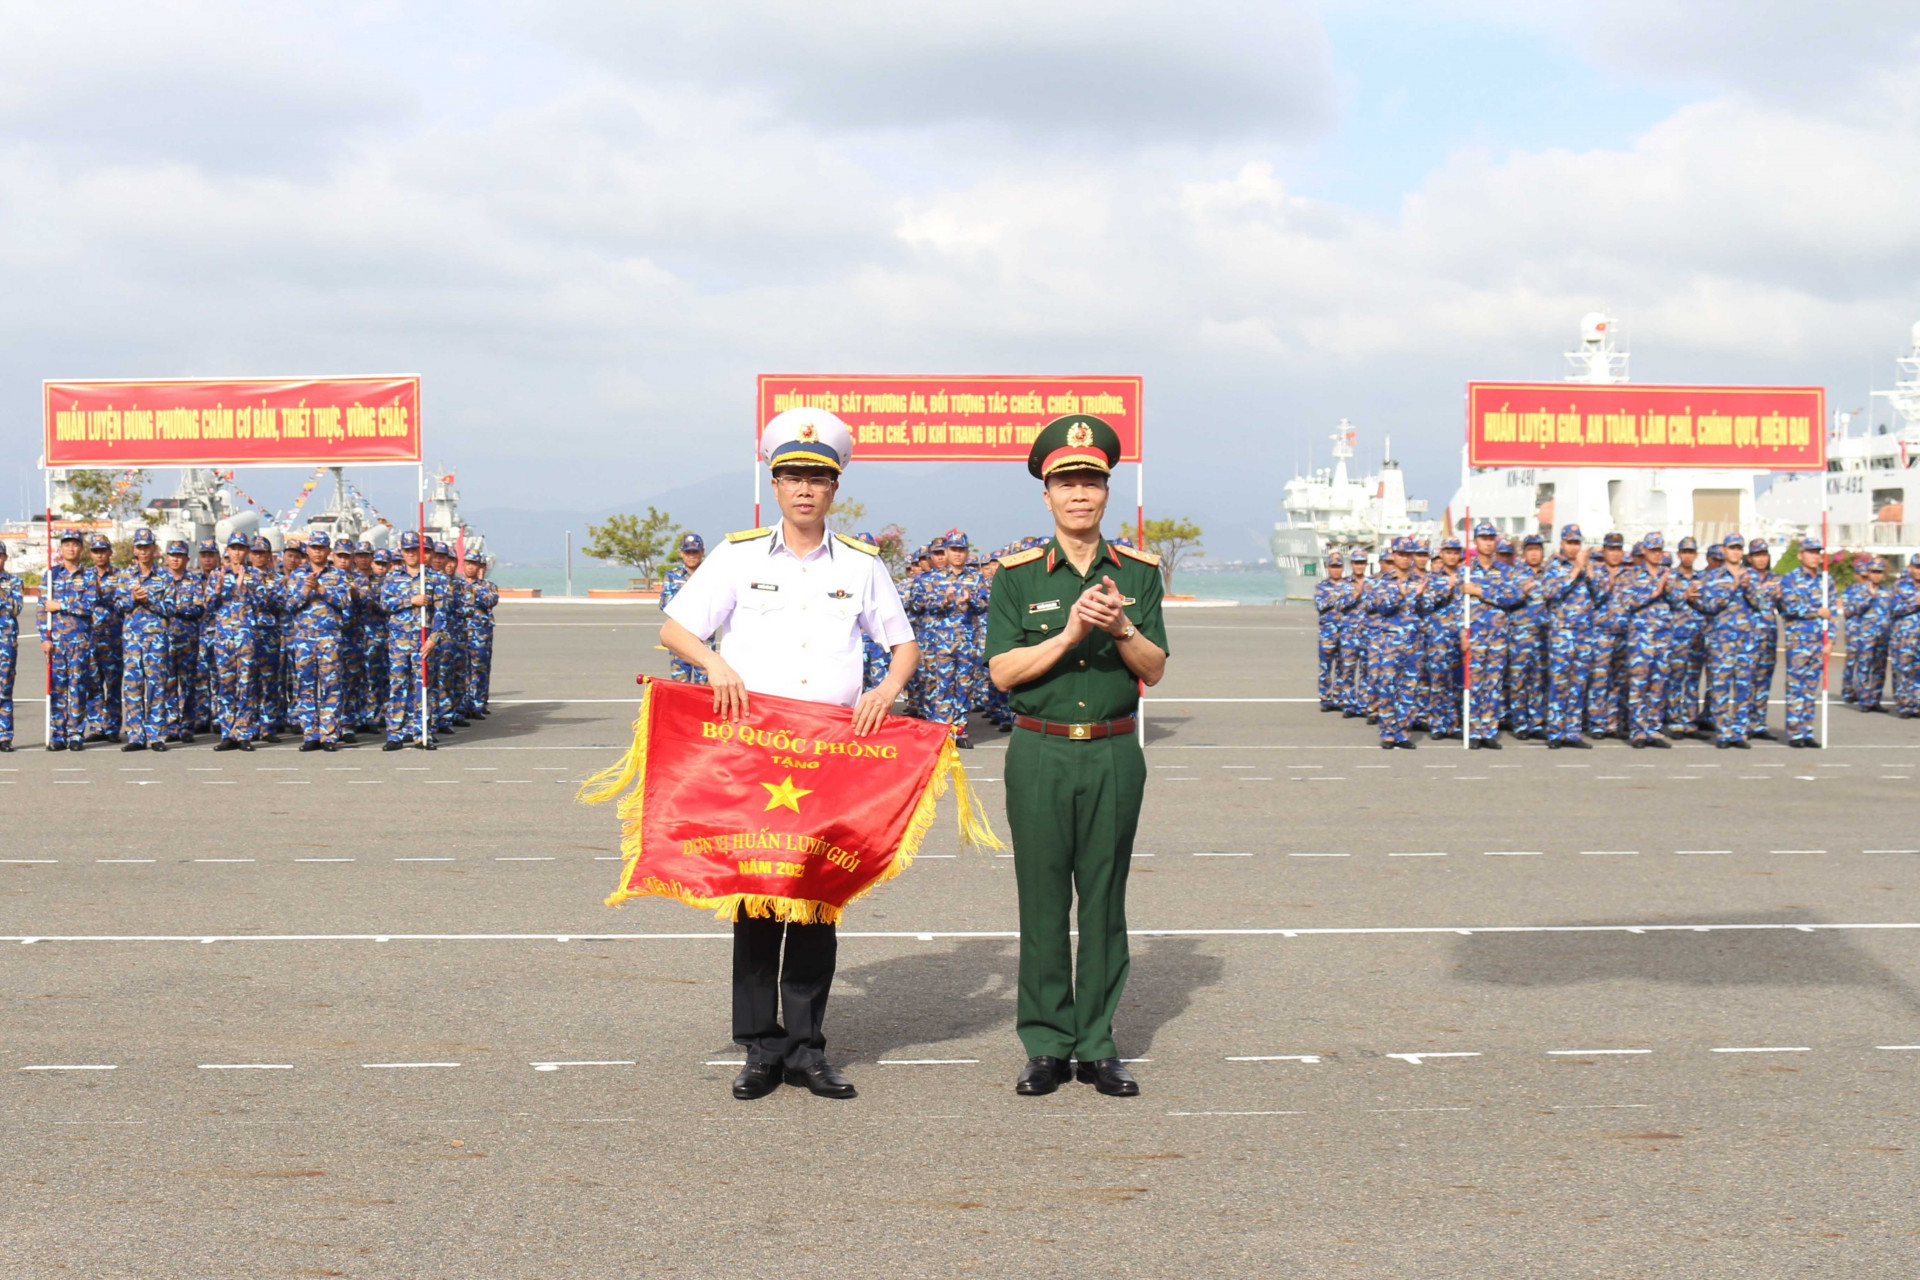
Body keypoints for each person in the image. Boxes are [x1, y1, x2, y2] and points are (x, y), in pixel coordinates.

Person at [660, 407, 919, 1103]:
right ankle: (759, 1049)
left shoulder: (862, 566)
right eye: (792, 476)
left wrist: (887, 689)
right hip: (754, 753)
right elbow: (675, 628)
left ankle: (807, 1049)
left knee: (816, 896)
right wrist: (714, 665)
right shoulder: (739, 556)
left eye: (817, 478)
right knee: (758, 901)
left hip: (831, 755)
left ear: (835, 490)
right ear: (774, 485)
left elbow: (903, 644)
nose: (805, 489)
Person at [985, 413, 1167, 1098]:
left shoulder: (1138, 574)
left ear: (1107, 491)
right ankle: (1045, 1044)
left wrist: (1120, 625)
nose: (1079, 494)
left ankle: (1097, 1043)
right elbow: (1002, 674)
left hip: (1115, 755)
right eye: (1067, 482)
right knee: (1040, 902)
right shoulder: (1016, 575)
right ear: (1047, 495)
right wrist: (1066, 636)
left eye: (1091, 481)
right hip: (1040, 752)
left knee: (1103, 900)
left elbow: (1155, 667)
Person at [285, 530, 353, 751]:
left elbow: (344, 602)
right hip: (304, 638)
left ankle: (329, 735)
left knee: (331, 685)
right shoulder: (297, 576)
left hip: (328, 637)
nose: (317, 551)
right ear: (307, 550)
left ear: (328, 551)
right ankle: (310, 734)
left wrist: (321, 589)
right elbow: (289, 605)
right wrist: (305, 590)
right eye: (314, 547)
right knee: (305, 686)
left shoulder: (338, 575)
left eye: (321, 548)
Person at [110, 527, 176, 752]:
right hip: (132, 641)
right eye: (140, 547)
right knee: (132, 688)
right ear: (134, 549)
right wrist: (132, 598)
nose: (143, 551)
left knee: (157, 687)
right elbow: (118, 606)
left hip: (156, 640)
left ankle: (157, 735)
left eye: (147, 547)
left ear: (154, 549)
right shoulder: (125, 577)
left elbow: (171, 608)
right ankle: (136, 735)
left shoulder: (164, 577)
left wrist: (149, 601)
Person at [1687, 533, 1755, 749]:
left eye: (1739, 548)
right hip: (1721, 640)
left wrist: (1749, 588)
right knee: (1720, 687)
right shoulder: (1711, 577)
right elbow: (1707, 606)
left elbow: (1762, 604)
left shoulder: (1751, 576)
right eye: (1732, 548)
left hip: (1746, 640)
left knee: (1744, 688)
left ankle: (1740, 731)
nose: (1736, 552)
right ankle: (1724, 732)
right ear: (1724, 550)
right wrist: (1733, 588)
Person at [379, 532, 446, 749]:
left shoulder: (434, 579)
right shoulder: (392, 578)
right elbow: (385, 605)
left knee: (422, 687)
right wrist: (411, 601)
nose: (410, 554)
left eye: (414, 550)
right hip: (399, 642)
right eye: (406, 550)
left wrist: (433, 639)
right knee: (397, 686)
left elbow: (441, 614)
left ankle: (421, 733)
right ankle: (395, 734)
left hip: (422, 642)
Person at [1461, 521, 1524, 748]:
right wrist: (1461, 632)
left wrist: (1479, 591)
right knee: (1474, 684)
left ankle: (1488, 729)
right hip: (1475, 635)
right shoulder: (1467, 570)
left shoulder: (1506, 571)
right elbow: (1459, 605)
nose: (1488, 543)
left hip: (1497, 635)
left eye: (1491, 539)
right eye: (1483, 538)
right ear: (1476, 541)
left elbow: (1511, 598)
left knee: (1493, 684)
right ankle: (1474, 731)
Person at [204, 532, 264, 751]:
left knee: (246, 684)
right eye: (233, 548)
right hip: (223, 638)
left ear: (247, 551)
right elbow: (208, 607)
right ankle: (227, 732)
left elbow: (263, 603)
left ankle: (244, 732)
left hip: (246, 636)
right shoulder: (216, 575)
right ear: (227, 551)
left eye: (241, 548)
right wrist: (218, 591)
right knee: (225, 685)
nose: (237, 552)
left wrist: (244, 587)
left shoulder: (255, 575)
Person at [40, 530, 98, 751]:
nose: (71, 548)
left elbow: (89, 606)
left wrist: (62, 605)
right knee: (58, 689)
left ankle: (75, 733)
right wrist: (44, 638)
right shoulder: (51, 576)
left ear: (81, 549)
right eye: (67, 545)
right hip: (56, 642)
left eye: (75, 544)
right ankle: (58, 733)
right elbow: (41, 610)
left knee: (77, 687)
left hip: (79, 641)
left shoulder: (89, 576)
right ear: (61, 549)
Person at [1618, 531, 1676, 748]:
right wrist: (1654, 591)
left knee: (1659, 684)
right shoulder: (1631, 575)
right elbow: (1627, 602)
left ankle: (1654, 728)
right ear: (1644, 551)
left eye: (1659, 549)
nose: (1656, 554)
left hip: (1663, 637)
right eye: (1652, 550)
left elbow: (1679, 601)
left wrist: (1669, 589)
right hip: (1641, 637)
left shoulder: (1669, 574)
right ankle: (1638, 730)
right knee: (1639, 684)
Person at [1540, 525, 1597, 749]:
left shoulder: (1587, 566)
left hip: (1584, 633)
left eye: (1576, 543)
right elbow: (1551, 592)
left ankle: (1572, 731)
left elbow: (1600, 594)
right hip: (1562, 633)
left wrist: (1588, 570)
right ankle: (1555, 731)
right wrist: (1575, 571)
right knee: (1559, 683)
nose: (1573, 547)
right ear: (1562, 544)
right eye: (1569, 543)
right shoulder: (1554, 565)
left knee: (1578, 684)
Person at [1776, 536, 1832, 747]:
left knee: (1810, 689)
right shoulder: (1790, 579)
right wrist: (1816, 612)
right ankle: (1795, 732)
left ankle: (1807, 730)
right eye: (1810, 552)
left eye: (1817, 552)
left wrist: (1831, 640)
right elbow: (1789, 607)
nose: (1814, 556)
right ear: (1801, 555)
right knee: (1795, 688)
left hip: (1819, 642)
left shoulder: (1826, 581)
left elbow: (1832, 613)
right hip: (1798, 641)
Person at [1506, 534, 1549, 739]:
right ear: (1523, 552)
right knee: (1518, 680)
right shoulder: (1514, 574)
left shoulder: (1549, 574)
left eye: (1537, 549)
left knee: (1538, 680)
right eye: (1530, 549)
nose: (1534, 553)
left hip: (1542, 635)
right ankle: (1520, 723)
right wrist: (1521, 593)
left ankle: (1537, 722)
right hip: (1520, 635)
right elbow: (1505, 600)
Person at [1664, 537, 1706, 736]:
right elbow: (1670, 601)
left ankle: (1690, 720)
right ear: (1679, 554)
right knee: (1676, 678)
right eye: (1684, 552)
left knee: (1693, 680)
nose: (1688, 556)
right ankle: (1675, 721)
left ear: (1696, 555)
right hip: (1678, 635)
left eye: (1691, 552)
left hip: (1697, 635)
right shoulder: (1671, 577)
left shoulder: (1702, 579)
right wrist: (1684, 596)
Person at [83, 534, 123, 742]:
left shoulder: (119, 576)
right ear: (91, 554)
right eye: (96, 551)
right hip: (90, 637)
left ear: (109, 553)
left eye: (103, 551)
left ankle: (113, 727)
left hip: (113, 637)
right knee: (93, 683)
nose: (100, 555)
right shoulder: (85, 576)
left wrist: (102, 595)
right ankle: (97, 726)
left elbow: (122, 603)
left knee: (113, 684)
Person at [162, 539, 202, 743]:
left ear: (187, 558)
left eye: (179, 555)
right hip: (164, 639)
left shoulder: (194, 581)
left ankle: (186, 725)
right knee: (167, 683)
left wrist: (175, 610)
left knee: (187, 684)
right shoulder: (160, 580)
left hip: (188, 639)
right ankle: (170, 725)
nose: (175, 559)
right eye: (172, 555)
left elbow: (198, 608)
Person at [658, 533, 711, 685]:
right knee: (680, 687)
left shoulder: (710, 574)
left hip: (704, 639)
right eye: (688, 552)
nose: (691, 556)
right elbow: (665, 603)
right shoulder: (673, 576)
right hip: (680, 637)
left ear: (702, 552)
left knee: (705, 688)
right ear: (681, 553)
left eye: (695, 552)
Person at [1743, 539, 1782, 740]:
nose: (1761, 559)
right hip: (1748, 637)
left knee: (1764, 681)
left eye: (1764, 555)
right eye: (1757, 555)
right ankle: (1743, 724)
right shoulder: (1744, 576)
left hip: (1769, 636)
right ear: (1750, 558)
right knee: (1746, 681)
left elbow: (1784, 605)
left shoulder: (1776, 579)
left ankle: (1758, 723)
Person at [1840, 559, 1892, 712]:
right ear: (1868, 573)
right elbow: (1849, 611)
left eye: (1880, 572)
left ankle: (1875, 699)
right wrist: (1869, 597)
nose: (1877, 576)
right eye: (1874, 572)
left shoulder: (1887, 591)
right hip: (1866, 635)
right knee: (1864, 666)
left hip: (1883, 634)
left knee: (1880, 668)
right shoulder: (1858, 591)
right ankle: (1864, 700)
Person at [1314, 552, 1346, 710]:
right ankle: (1325, 698)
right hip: (1328, 633)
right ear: (1328, 568)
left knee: (1343, 666)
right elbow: (1321, 604)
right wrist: (1337, 595)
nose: (1336, 570)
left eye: (1339, 566)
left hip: (1345, 632)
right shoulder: (1321, 586)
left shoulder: (1348, 585)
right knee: (1325, 667)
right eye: (1333, 566)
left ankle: (1340, 697)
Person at [1890, 560, 1920, 717]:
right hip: (1904, 637)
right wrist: (1914, 602)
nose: (1919, 571)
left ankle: (1916, 703)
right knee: (1903, 670)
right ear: (1910, 568)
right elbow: (1893, 609)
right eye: (1917, 567)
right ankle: (1903, 704)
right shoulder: (1900, 586)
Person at [0, 541, 19, 751]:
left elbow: (16, 607)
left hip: (5, 642)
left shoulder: (13, 582)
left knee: (4, 689)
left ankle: (4, 735)